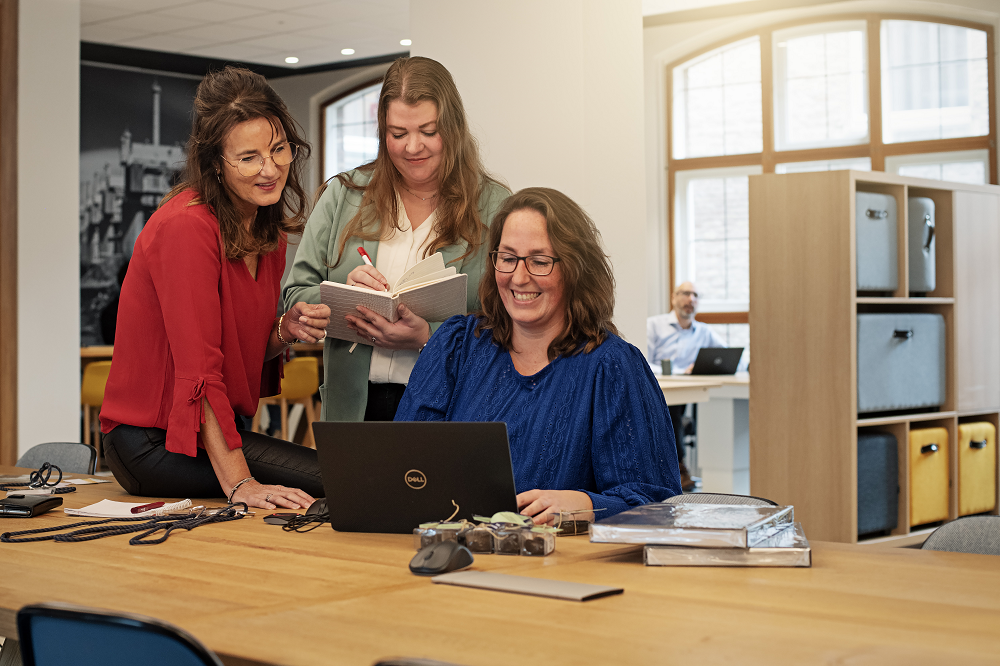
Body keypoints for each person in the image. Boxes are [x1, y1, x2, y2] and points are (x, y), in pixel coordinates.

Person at [100, 67, 331, 511]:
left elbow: (239, 351)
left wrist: (285, 329)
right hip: (152, 444)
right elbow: (199, 372)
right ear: (214, 165)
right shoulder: (186, 227)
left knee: (340, 476)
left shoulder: (267, 231)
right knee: (339, 478)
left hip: (211, 437)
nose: (271, 169)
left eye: (278, 149)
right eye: (248, 158)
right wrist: (241, 484)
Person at [395, 188, 682, 523]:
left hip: (559, 566)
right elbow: (404, 467)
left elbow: (658, 505)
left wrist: (587, 505)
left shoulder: (613, 368)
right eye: (508, 258)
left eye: (540, 261)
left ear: (575, 269)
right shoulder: (457, 346)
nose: (519, 277)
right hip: (450, 552)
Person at [283, 56, 509, 422]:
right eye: (398, 134)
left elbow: (510, 322)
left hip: (450, 410)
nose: (412, 147)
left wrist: (429, 336)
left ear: (452, 128)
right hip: (354, 409)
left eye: (428, 131)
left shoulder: (494, 207)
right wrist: (344, 296)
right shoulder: (344, 195)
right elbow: (295, 295)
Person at [646, 281, 726, 491]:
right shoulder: (654, 325)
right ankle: (678, 467)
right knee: (670, 407)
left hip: (689, 390)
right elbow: (643, 361)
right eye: (685, 294)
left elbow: (727, 356)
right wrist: (679, 372)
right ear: (673, 298)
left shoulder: (703, 331)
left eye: (695, 295)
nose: (690, 299)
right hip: (660, 387)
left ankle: (681, 467)